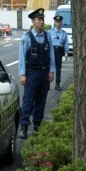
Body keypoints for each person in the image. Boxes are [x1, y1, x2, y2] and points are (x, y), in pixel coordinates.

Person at [18, 8, 55, 138]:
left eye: (42, 19)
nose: (41, 22)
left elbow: (51, 55)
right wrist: (22, 74)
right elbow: (22, 57)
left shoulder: (47, 36)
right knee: (28, 100)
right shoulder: (27, 37)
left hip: (44, 73)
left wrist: (52, 71)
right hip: (31, 72)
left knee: (41, 100)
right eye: (39, 19)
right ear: (33, 21)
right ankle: (24, 127)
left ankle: (37, 126)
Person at [47, 14, 69, 90]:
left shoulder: (64, 33)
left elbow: (66, 43)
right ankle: (47, 84)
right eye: (57, 21)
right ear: (54, 22)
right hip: (51, 50)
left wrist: (66, 53)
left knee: (58, 68)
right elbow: (47, 42)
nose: (58, 23)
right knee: (49, 67)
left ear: (61, 22)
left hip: (59, 51)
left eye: (59, 22)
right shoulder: (50, 32)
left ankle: (57, 84)